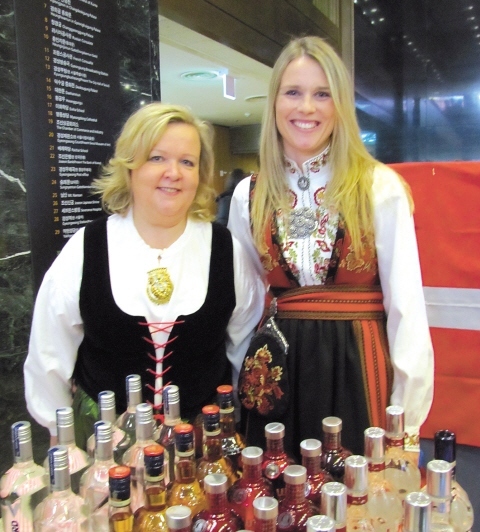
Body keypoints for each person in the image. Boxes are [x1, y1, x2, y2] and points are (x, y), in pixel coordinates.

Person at [228, 36, 434, 459]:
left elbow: (406, 308)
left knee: (353, 503)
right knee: (278, 504)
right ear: (274, 103)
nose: (307, 108)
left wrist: (406, 421)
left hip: (357, 362)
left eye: (322, 94)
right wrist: (236, 389)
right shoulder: (249, 194)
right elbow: (244, 306)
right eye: (293, 93)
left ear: (340, 104)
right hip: (277, 371)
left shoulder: (379, 186)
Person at [24, 102, 265, 449]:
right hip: (104, 453)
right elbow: (49, 356)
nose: (174, 172)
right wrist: (62, 442)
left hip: (202, 451)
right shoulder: (87, 247)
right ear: (130, 166)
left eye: (187, 161)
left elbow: (243, 351)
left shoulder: (227, 250)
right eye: (157, 158)